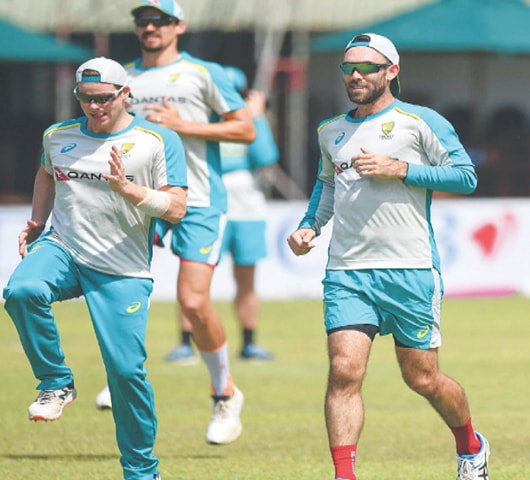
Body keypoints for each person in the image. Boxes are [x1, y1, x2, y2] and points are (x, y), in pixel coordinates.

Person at [286, 33, 490, 480]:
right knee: (344, 371)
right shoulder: (330, 130)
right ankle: (345, 475)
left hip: (411, 270)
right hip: (347, 272)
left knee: (422, 378)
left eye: (366, 68)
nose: (355, 76)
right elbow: (328, 184)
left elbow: (466, 176)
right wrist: (309, 226)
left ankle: (471, 446)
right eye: (347, 69)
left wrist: (402, 170)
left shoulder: (421, 122)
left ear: (391, 72)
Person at [3, 56, 188, 480]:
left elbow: (176, 207)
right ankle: (56, 381)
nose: (94, 107)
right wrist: (37, 221)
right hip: (64, 248)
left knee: (125, 373)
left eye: (103, 98)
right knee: (22, 290)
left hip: (122, 268)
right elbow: (47, 174)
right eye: (85, 98)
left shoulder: (156, 140)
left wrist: (129, 189)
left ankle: (141, 470)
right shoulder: (57, 135)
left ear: (126, 94)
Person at [95, 0, 255, 446]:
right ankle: (123, 373)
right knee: (121, 290)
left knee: (193, 302)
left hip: (199, 201)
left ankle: (225, 393)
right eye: (142, 20)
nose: (150, 27)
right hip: (141, 198)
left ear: (178, 26)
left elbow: (245, 129)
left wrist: (184, 126)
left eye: (159, 20)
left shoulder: (204, 73)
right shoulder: (122, 77)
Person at [165, 66, 279, 364]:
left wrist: (257, 117)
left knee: (246, 278)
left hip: (247, 208)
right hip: (207, 202)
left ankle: (249, 342)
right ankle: (186, 344)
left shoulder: (247, 122)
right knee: (194, 274)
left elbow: (265, 157)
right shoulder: (199, 122)